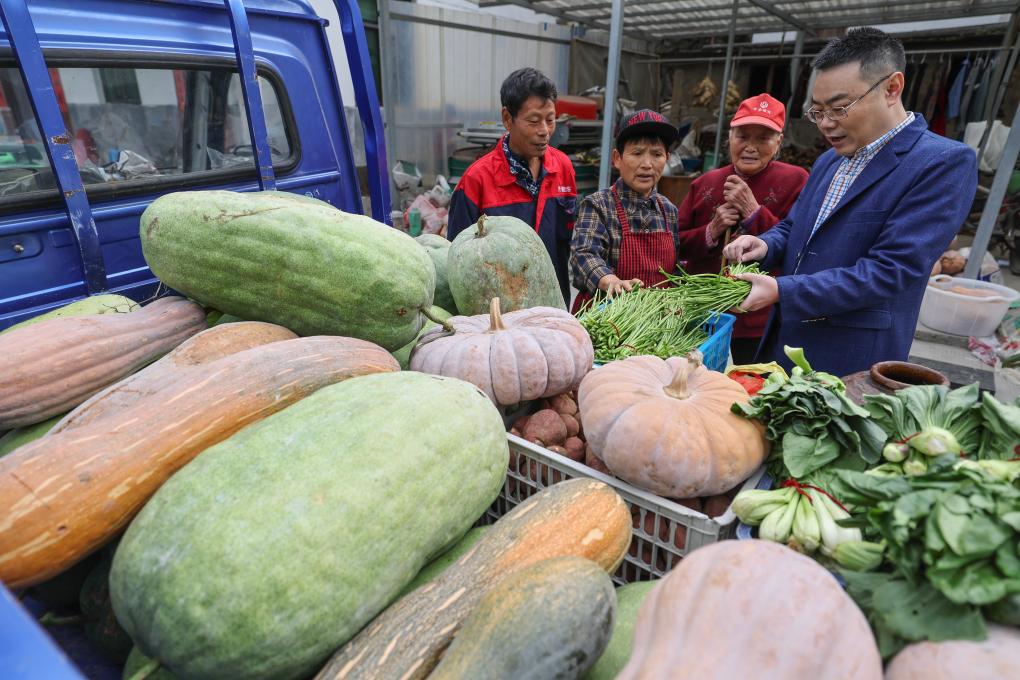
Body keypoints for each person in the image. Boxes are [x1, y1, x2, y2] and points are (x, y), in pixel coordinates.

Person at [723, 28, 978, 376]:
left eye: (840, 108)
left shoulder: (942, 163)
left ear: (892, 88)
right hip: (783, 340)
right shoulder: (832, 160)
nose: (826, 124)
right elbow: (796, 227)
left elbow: (890, 271)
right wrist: (764, 245)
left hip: (849, 358)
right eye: (818, 111)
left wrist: (782, 289)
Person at [676, 93, 808, 364]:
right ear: (730, 137)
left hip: (758, 316)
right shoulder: (705, 183)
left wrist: (753, 212)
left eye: (763, 138)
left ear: (779, 142)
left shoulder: (796, 180)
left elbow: (798, 245)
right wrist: (711, 230)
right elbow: (675, 243)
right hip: (702, 312)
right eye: (743, 136)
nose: (751, 146)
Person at [447, 68, 577, 306]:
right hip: (501, 314)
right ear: (507, 119)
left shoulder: (563, 167)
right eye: (534, 121)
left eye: (550, 120)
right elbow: (457, 261)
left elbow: (568, 240)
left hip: (553, 308)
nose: (545, 131)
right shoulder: (476, 181)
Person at [569, 110, 680, 313]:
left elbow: (673, 270)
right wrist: (609, 280)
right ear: (617, 158)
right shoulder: (598, 205)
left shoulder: (669, 211)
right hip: (604, 317)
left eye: (656, 154)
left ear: (667, 158)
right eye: (637, 153)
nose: (647, 164)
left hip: (653, 322)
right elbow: (583, 254)